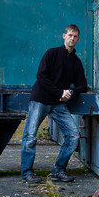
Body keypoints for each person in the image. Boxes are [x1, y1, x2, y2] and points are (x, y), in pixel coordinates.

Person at [21, 24, 88, 183]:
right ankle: (27, 173)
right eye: (70, 35)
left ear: (78, 39)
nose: (72, 38)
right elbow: (41, 76)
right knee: (30, 136)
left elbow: (82, 85)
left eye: (75, 36)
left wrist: (70, 92)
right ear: (64, 36)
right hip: (41, 98)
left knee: (73, 136)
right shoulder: (51, 53)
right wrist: (59, 92)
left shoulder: (76, 62)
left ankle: (58, 171)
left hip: (58, 103)